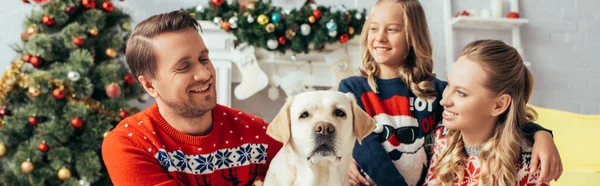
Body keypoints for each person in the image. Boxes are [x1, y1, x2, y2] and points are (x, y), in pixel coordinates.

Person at [338, 0, 562, 185]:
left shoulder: (436, 92)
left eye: (393, 29)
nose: (379, 37)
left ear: (413, 37)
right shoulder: (352, 89)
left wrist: (541, 134)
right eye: (374, 28)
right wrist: (345, 157)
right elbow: (364, 146)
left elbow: (501, 117)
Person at [101, 11, 282, 186]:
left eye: (204, 59)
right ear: (150, 85)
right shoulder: (130, 143)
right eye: (184, 67)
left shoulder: (258, 134)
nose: (204, 74)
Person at [425, 39, 549, 185]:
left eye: (461, 93)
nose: (444, 101)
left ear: (498, 105)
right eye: (448, 85)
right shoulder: (441, 137)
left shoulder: (529, 163)